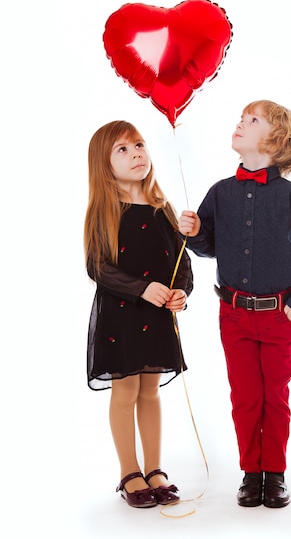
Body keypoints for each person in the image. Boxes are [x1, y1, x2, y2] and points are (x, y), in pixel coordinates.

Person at [178, 100, 291, 508]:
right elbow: (209, 246)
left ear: (275, 140)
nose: (240, 123)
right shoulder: (220, 192)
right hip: (234, 315)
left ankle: (275, 474)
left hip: (280, 315)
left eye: (252, 120)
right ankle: (251, 473)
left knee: (274, 397)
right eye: (241, 118)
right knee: (245, 396)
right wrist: (193, 233)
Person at [84, 120, 193, 509]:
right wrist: (141, 288)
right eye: (123, 149)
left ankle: (155, 468)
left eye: (139, 145)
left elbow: (181, 261)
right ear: (104, 162)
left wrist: (181, 291)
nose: (136, 154)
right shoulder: (106, 209)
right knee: (125, 390)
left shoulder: (163, 208)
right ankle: (129, 471)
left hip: (159, 316)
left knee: (150, 391)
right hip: (122, 315)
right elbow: (97, 266)